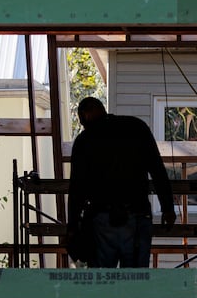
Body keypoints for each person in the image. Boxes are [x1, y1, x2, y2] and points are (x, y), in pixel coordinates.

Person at [67, 97, 175, 268]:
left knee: (102, 282)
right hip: (137, 215)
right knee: (135, 283)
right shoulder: (136, 127)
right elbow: (157, 169)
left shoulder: (85, 141)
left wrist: (72, 226)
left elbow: (77, 189)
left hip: (102, 220)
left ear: (85, 116)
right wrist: (168, 208)